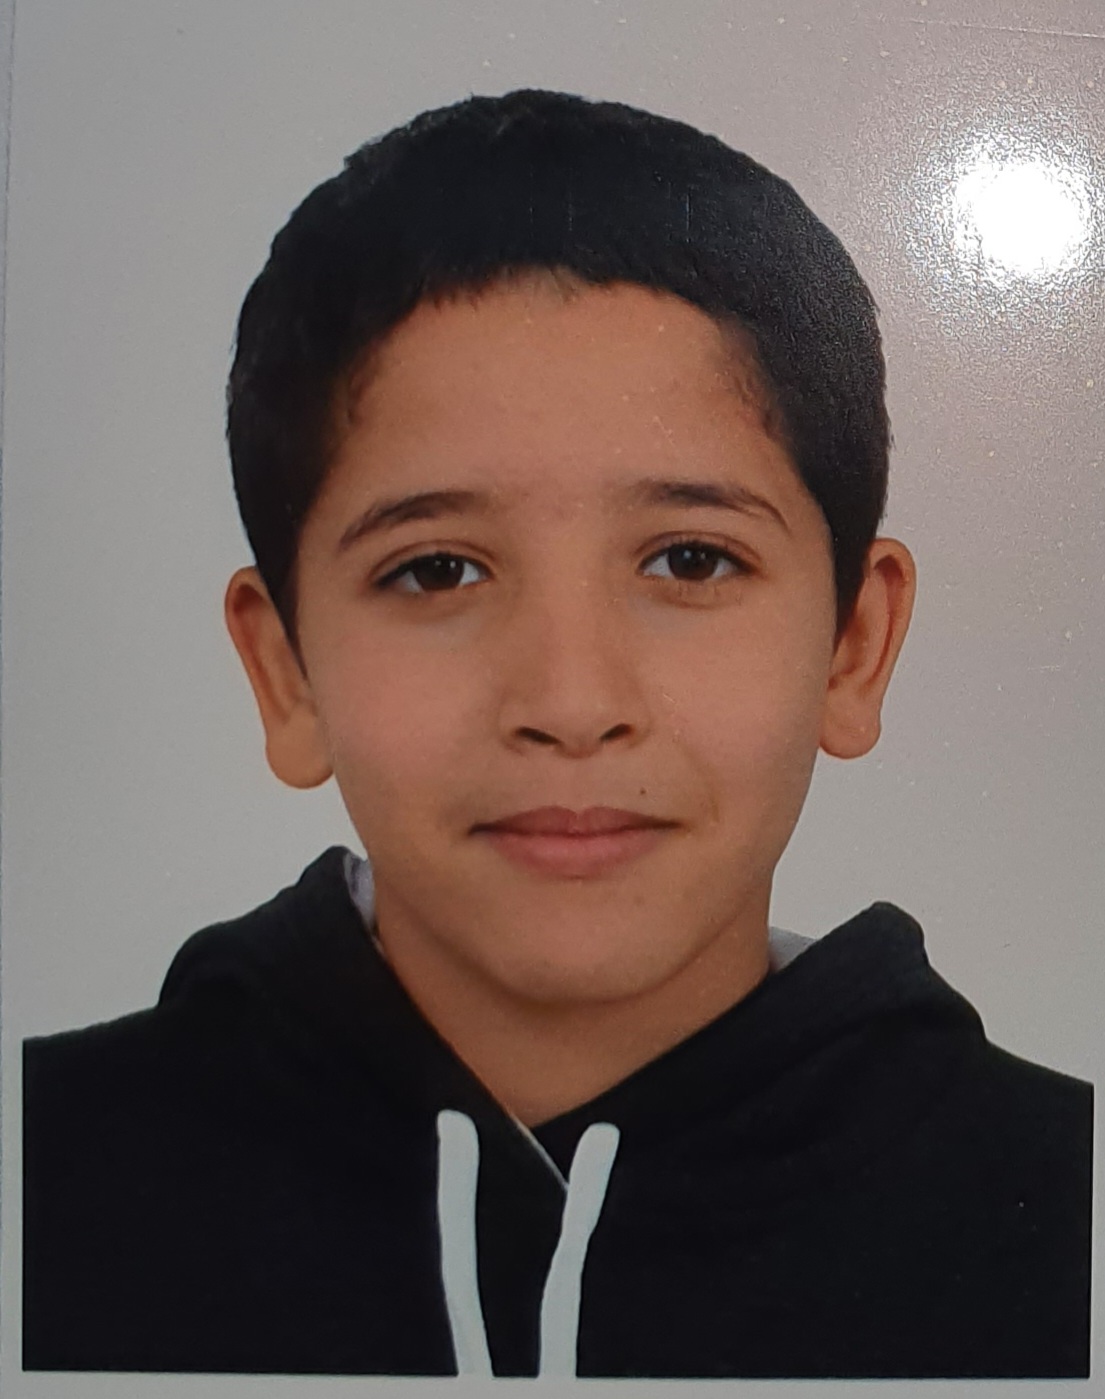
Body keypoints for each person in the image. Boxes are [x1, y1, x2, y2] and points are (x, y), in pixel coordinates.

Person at [22, 88, 1091, 1379]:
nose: (572, 703)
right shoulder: (44, 1185)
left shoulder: (1062, 1216)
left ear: (852, 646)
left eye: (690, 559)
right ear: (285, 670)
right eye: (437, 571)